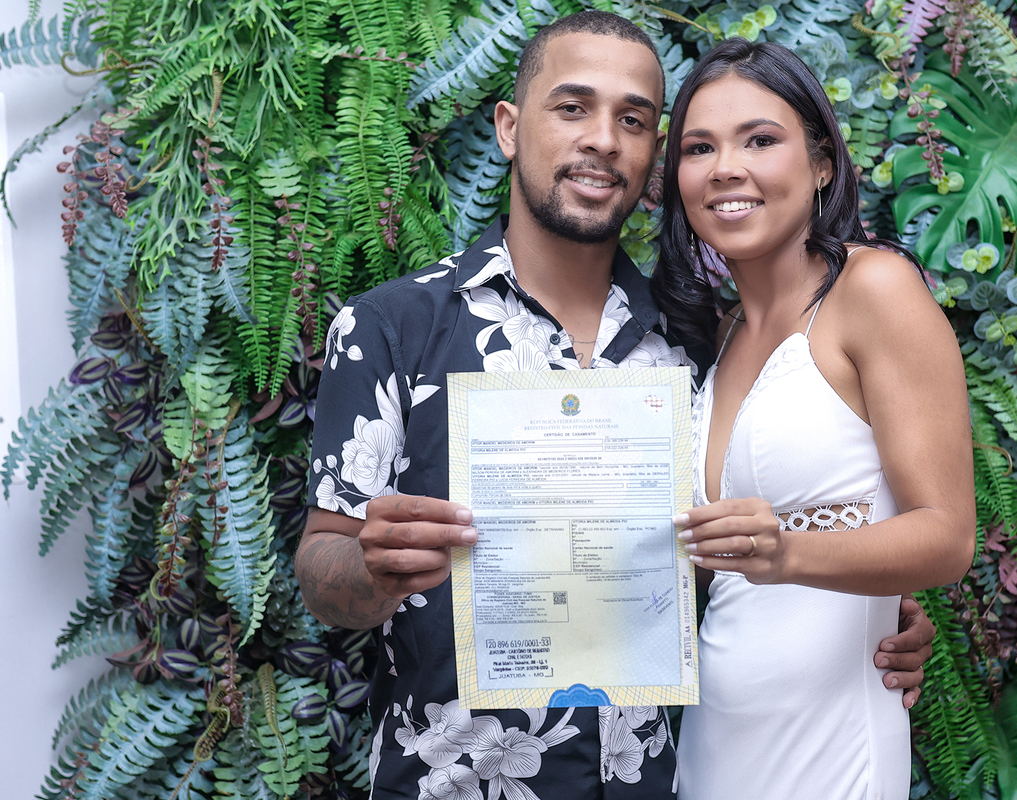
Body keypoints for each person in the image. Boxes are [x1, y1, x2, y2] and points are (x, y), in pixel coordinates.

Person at [297, 13, 935, 800]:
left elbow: (749, 538)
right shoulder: (391, 329)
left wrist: (873, 617)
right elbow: (322, 570)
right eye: (572, 108)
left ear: (652, 155)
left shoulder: (697, 341)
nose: (603, 139)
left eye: (632, 120)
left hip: (659, 781)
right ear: (508, 128)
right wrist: (372, 569)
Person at [650, 39, 976, 800]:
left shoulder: (874, 291)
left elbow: (948, 537)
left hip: (831, 748)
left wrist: (790, 554)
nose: (726, 167)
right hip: (718, 739)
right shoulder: (723, 334)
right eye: (699, 148)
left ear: (823, 162)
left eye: (760, 140)